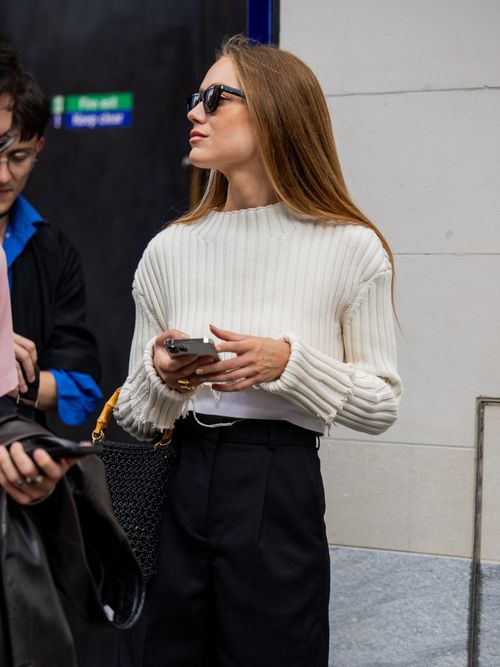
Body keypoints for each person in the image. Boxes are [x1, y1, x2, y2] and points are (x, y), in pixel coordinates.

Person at [115, 35, 402, 666]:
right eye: (195, 98)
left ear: (274, 110)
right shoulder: (169, 249)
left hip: (281, 480)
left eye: (215, 98)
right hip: (181, 477)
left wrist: (289, 365)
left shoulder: (350, 248)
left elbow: (382, 404)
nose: (194, 112)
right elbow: (134, 416)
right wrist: (164, 374)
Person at [0, 37, 102, 427]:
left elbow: (80, 386)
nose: (4, 176)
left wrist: (10, 378)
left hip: (19, 448)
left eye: (18, 157)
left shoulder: (53, 252)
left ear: (38, 149)